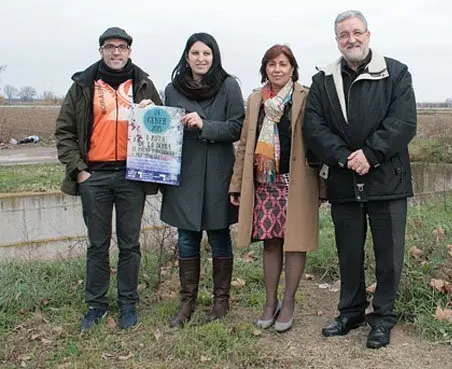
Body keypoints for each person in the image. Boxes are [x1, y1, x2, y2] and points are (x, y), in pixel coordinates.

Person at [303, 10, 417, 349]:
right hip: (343, 179)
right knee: (348, 252)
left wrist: (371, 153)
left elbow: (404, 122)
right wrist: (342, 156)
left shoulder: (396, 73)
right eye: (343, 35)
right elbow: (314, 126)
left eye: (356, 32)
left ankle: (382, 318)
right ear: (337, 40)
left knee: (389, 254)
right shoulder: (324, 80)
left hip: (387, 180)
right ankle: (350, 311)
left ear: (368, 34)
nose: (351, 39)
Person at [55, 27, 162, 331]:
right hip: (96, 176)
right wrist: (80, 171)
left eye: (122, 47)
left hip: (131, 176)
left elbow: (162, 124)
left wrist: (154, 112)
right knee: (97, 245)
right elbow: (64, 131)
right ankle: (96, 305)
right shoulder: (83, 85)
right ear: (101, 50)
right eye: (110, 46)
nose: (116, 52)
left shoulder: (143, 85)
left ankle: (128, 303)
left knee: (130, 244)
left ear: (130, 51)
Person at [229, 44, 321, 333]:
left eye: (283, 64)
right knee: (271, 242)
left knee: (296, 243)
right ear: (264, 69)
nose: (277, 69)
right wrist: (236, 185)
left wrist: (323, 186)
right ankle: (270, 302)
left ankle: (289, 302)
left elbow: (319, 140)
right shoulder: (256, 99)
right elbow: (245, 143)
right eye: (271, 64)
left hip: (298, 181)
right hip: (266, 182)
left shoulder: (306, 96)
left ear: (292, 67)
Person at [160, 33, 245, 327]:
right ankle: (187, 302)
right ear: (187, 57)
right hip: (185, 172)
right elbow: (166, 125)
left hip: (219, 171)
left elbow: (237, 127)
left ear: (214, 56)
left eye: (206, 53)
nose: (201, 59)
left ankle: (221, 301)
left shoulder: (228, 86)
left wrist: (204, 124)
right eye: (195, 53)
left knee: (219, 234)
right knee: (186, 237)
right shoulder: (172, 89)